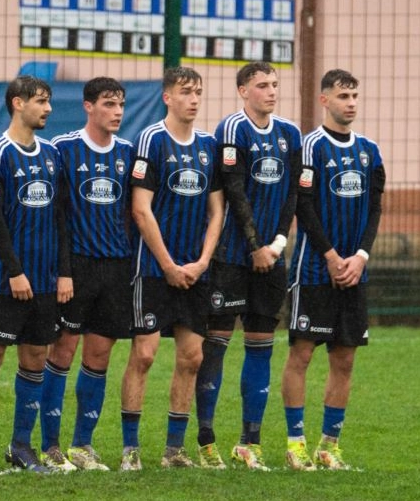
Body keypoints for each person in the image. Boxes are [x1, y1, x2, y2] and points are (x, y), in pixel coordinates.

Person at [194, 62, 301, 470]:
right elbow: (235, 193)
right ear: (243, 91)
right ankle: (206, 440)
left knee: (261, 347)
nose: (271, 92)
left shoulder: (290, 135)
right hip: (231, 259)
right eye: (262, 86)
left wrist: (274, 245)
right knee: (215, 347)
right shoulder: (230, 132)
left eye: (275, 84)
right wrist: (254, 246)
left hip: (270, 257)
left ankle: (249, 442)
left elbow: (291, 196)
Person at [119, 66, 224, 470]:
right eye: (185, 92)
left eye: (198, 92)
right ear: (168, 97)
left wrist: (200, 262)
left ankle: (174, 450)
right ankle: (131, 450)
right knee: (144, 355)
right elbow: (141, 210)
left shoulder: (209, 146)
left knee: (192, 357)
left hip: (195, 273)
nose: (193, 99)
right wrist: (167, 264)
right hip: (153, 270)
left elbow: (217, 212)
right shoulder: (151, 140)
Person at [281, 69, 386, 471]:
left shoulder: (370, 151)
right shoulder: (309, 148)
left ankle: (330, 445)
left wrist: (361, 255)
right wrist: (329, 254)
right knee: (302, 354)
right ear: (324, 100)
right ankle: (296, 444)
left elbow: (375, 208)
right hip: (313, 270)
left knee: (345, 359)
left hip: (354, 271)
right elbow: (302, 207)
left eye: (355, 95)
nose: (352, 103)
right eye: (343, 96)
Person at [0, 75, 69, 475]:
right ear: (17, 104)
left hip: (45, 280)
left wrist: (63, 272)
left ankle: (21, 448)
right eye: (41, 101)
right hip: (4, 279)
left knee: (35, 359)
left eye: (49, 102)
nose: (48, 109)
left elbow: (60, 216)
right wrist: (14, 271)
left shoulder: (51, 155)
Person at [38, 77, 134, 472]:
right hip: (76, 267)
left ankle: (82, 445)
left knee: (99, 355)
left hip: (116, 267)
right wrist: (62, 271)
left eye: (121, 105)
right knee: (62, 350)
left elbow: (134, 210)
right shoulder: (63, 149)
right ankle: (50, 446)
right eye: (109, 104)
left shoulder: (128, 153)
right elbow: (55, 214)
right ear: (88, 106)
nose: (117, 112)